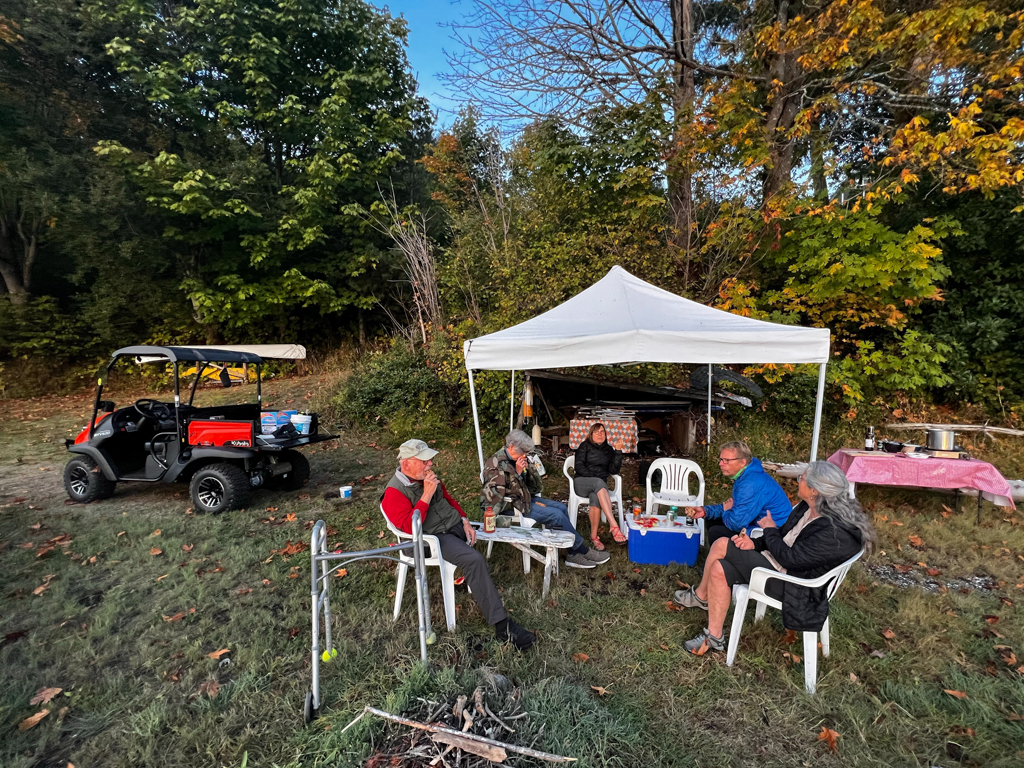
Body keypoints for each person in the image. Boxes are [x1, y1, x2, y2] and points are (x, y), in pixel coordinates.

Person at [674, 461, 876, 655]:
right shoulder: (808, 508)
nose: (799, 480)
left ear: (815, 490)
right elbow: (784, 536)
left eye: (803, 478)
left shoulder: (832, 531)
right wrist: (755, 543)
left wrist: (769, 529)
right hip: (779, 564)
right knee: (719, 568)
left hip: (795, 585)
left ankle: (700, 596)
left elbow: (789, 558)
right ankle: (714, 637)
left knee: (721, 545)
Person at [382, 438, 536, 651]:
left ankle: (478, 585)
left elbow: (449, 500)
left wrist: (464, 520)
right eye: (424, 462)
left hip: (451, 527)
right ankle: (503, 627)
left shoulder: (428, 478)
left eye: (429, 461)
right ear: (406, 463)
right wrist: (426, 495)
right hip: (430, 539)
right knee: (474, 560)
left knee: (492, 529)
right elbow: (410, 528)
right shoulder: (394, 492)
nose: (430, 465)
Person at [482, 430, 610, 569]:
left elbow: (535, 488)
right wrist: (518, 473)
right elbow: (500, 496)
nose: (524, 455)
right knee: (557, 516)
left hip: (525, 500)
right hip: (512, 506)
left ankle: (572, 553)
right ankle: (582, 550)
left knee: (560, 507)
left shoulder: (516, 458)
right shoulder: (495, 465)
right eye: (522, 451)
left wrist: (528, 470)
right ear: (511, 447)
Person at [684, 441, 792, 546]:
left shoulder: (750, 484)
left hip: (773, 532)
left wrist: (726, 511)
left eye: (726, 460)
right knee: (712, 519)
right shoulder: (746, 475)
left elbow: (736, 524)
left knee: (716, 532)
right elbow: (735, 506)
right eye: (721, 459)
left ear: (742, 462)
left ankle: (725, 560)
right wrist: (705, 511)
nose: (720, 464)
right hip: (756, 521)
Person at [572, 423, 628, 550]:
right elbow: (579, 466)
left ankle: (594, 537)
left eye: (602, 432)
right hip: (582, 482)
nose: (600, 434)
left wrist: (618, 452)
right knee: (599, 483)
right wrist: (594, 477)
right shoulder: (584, 446)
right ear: (591, 434)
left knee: (596, 497)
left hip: (598, 488)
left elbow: (613, 470)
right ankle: (613, 524)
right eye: (596, 432)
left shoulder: (608, 450)